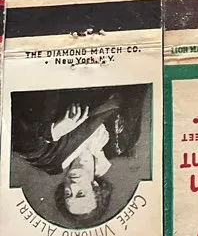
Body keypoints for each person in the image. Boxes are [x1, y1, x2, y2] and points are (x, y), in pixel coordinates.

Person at [11, 86, 147, 228]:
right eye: (81, 193)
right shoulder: (120, 144)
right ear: (96, 187)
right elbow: (135, 91)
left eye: (68, 194)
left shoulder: (48, 161)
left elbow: (15, 139)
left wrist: (53, 132)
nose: (72, 186)